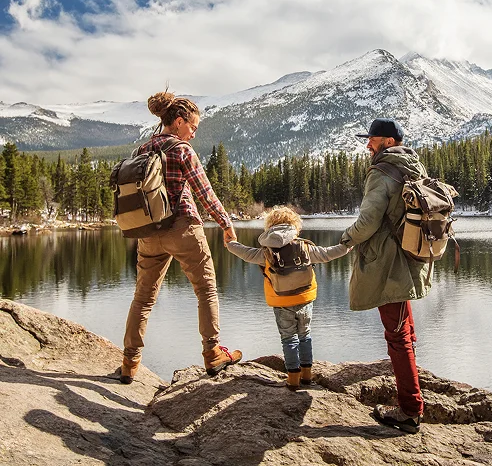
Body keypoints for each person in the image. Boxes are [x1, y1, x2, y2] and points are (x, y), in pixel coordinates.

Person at [120, 91, 242, 384]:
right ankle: (213, 354)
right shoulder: (182, 150)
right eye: (192, 127)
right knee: (207, 290)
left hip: (149, 233)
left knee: (143, 298)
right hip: (183, 228)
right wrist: (226, 224)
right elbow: (205, 192)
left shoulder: (142, 149)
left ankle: (129, 362)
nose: (194, 133)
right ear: (177, 121)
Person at [340, 118, 430, 434]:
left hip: (387, 264)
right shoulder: (414, 166)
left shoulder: (381, 173)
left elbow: (367, 223)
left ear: (388, 142)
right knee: (404, 328)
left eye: (373, 139)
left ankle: (409, 410)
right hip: (411, 259)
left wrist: (346, 239)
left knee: (397, 335)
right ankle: (412, 384)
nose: (368, 145)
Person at [225, 206, 352, 390]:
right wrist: (346, 247)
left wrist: (231, 244)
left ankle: (293, 379)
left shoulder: (267, 252)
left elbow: (246, 253)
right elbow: (327, 253)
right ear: (295, 226)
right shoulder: (305, 247)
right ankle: (307, 376)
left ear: (269, 226)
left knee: (288, 338)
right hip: (305, 297)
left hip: (281, 301)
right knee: (305, 335)